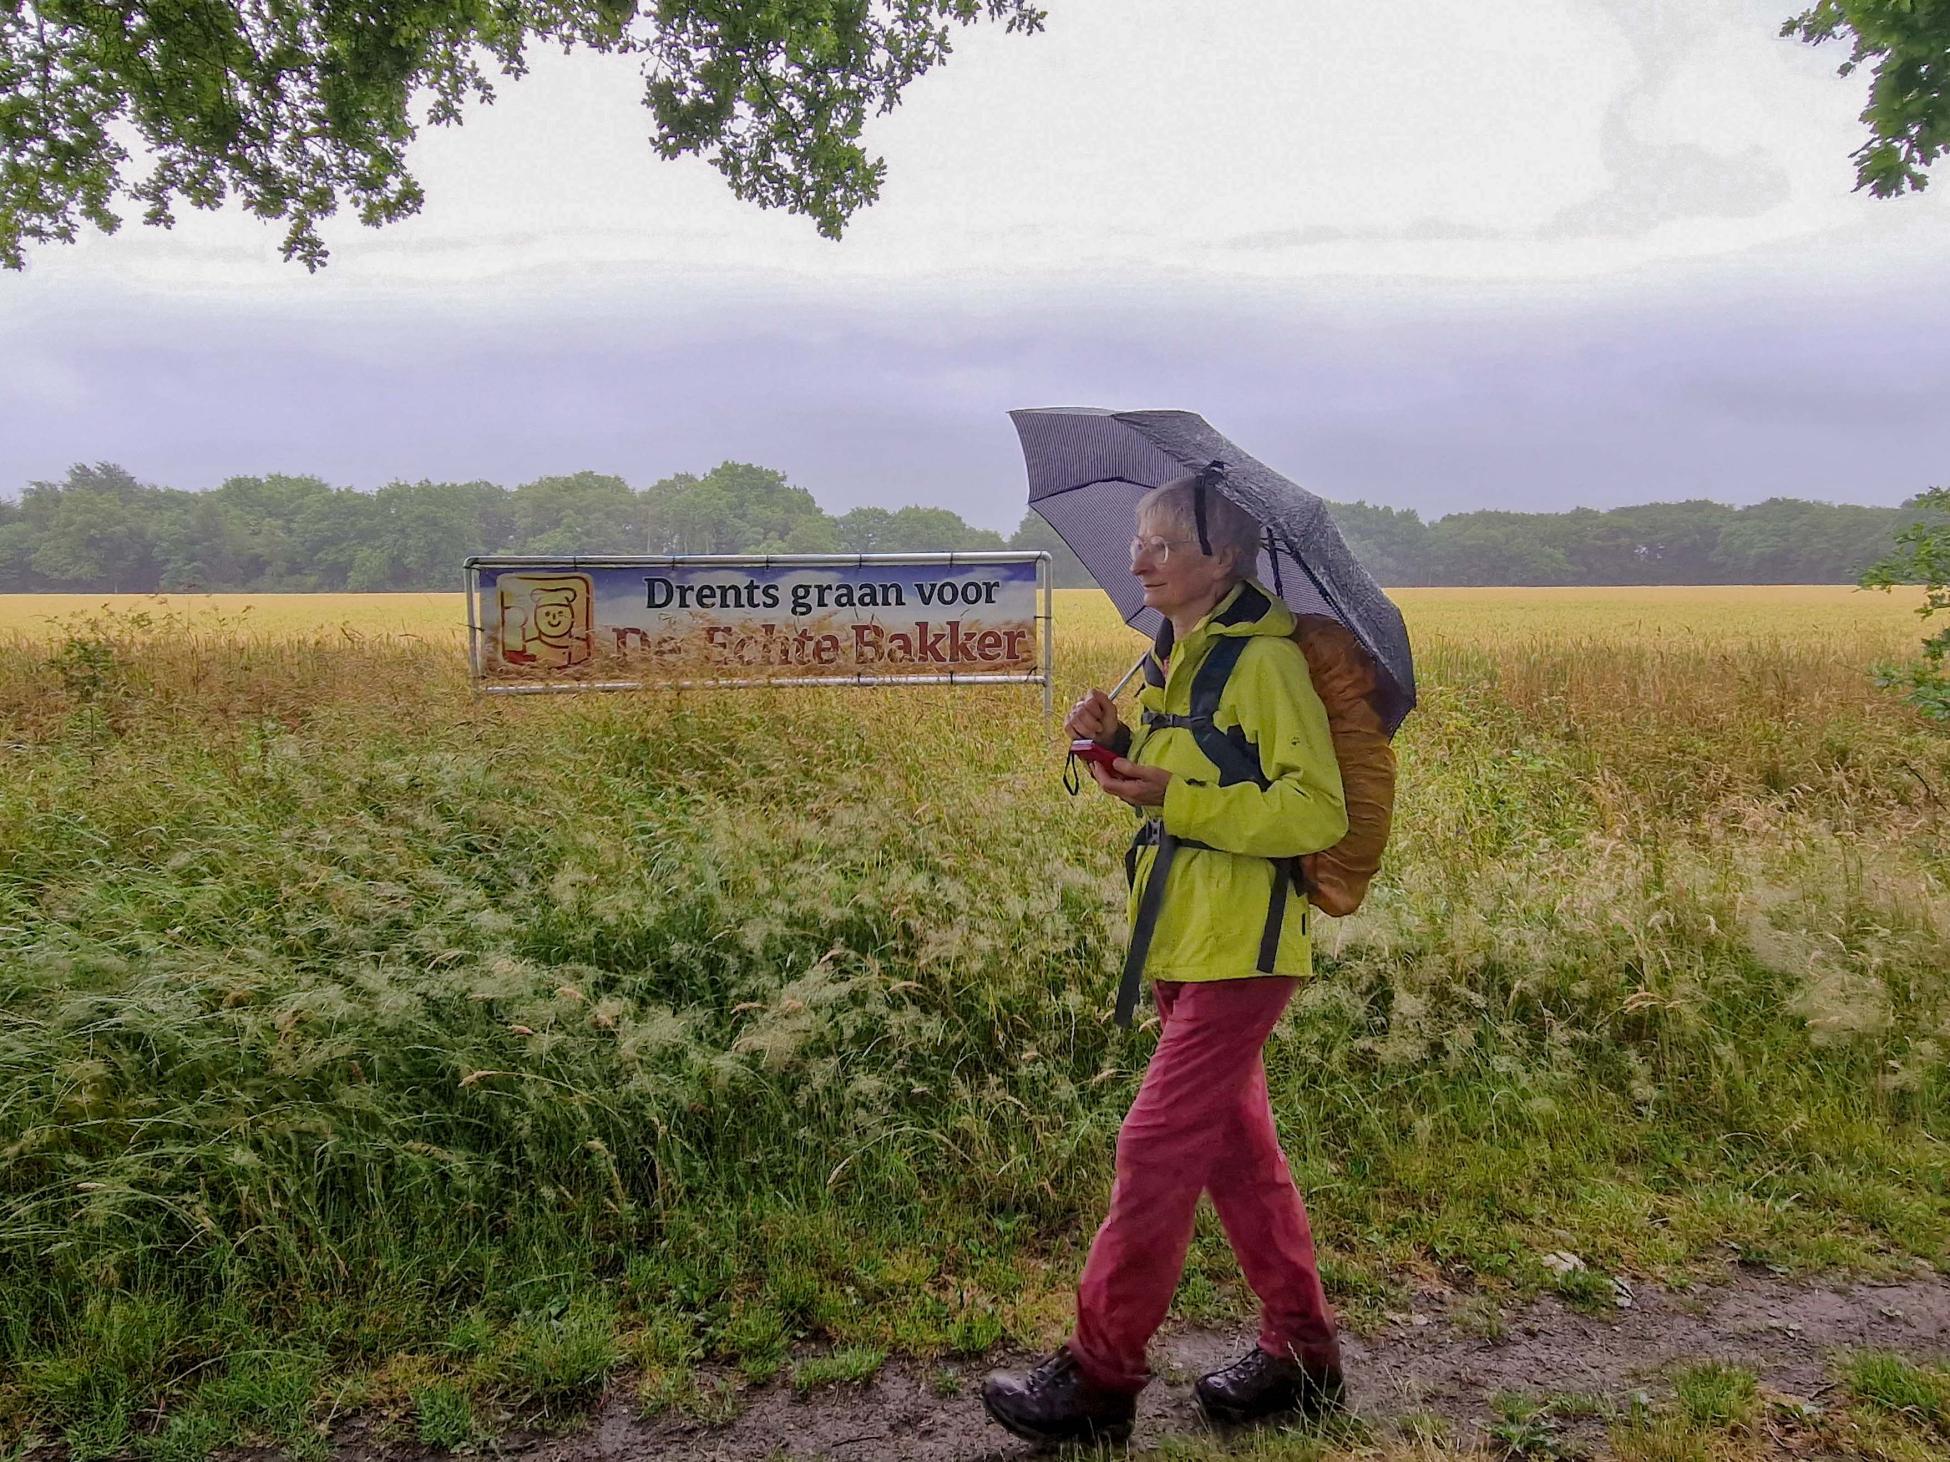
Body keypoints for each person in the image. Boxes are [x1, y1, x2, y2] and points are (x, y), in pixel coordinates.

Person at [981, 474, 1351, 1447]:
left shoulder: (1264, 667)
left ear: (1220, 560)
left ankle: (1100, 1377)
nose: (1139, 557)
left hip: (1245, 947)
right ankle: (1303, 1360)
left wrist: (1172, 794)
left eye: (1161, 544)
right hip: (1183, 935)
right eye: (1138, 540)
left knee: (1153, 1146)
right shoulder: (1173, 657)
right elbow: (1176, 779)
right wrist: (1113, 746)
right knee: (1241, 1158)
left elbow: (1316, 811)